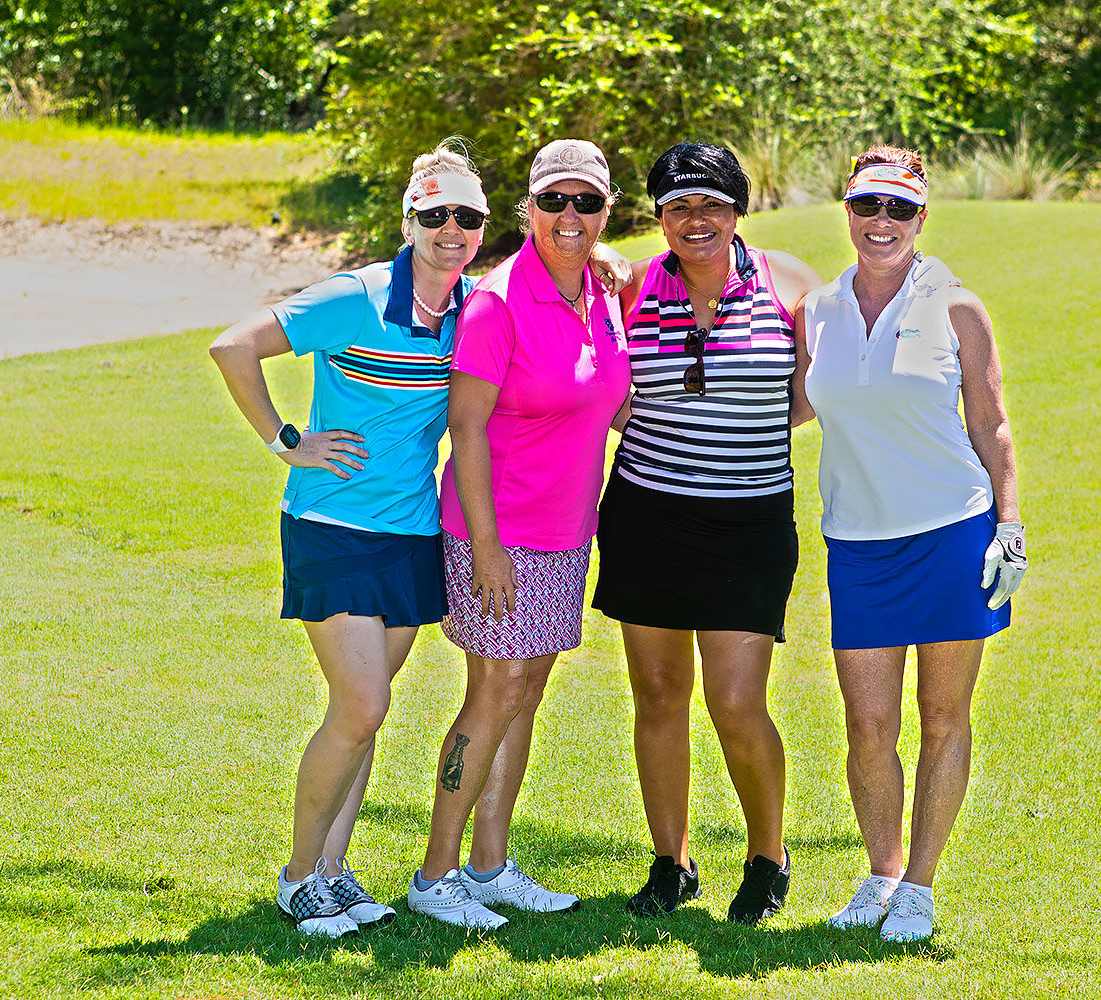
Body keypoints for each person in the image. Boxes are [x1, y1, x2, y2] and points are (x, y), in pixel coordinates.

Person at [207, 142, 491, 938]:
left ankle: (334, 872)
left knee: (364, 712)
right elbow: (233, 346)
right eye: (435, 215)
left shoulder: (474, 307)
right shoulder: (357, 296)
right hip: (332, 528)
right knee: (363, 705)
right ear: (409, 222)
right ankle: (299, 877)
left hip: (411, 533)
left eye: (467, 217)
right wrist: (285, 440)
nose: (451, 230)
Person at [794, 147, 1027, 943]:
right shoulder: (818, 310)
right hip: (858, 543)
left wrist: (1009, 525)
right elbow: (792, 404)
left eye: (898, 208)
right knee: (867, 727)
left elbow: (990, 425)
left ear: (921, 217)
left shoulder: (956, 307)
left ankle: (919, 887)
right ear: (848, 211)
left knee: (942, 716)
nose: (881, 221)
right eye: (868, 205)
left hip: (952, 532)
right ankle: (882, 872)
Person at [592, 142, 824, 924]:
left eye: (712, 205)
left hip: (749, 521)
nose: (697, 220)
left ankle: (767, 858)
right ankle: (672, 862)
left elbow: (813, 388)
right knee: (658, 695)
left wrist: (744, 431)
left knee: (735, 699)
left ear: (738, 211)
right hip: (647, 515)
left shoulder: (788, 281)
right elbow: (605, 386)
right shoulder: (630, 286)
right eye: (679, 206)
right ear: (658, 216)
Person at [408, 139, 632, 929]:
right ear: (528, 208)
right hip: (498, 535)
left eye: (587, 202)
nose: (570, 216)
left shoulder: (602, 292)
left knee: (524, 692)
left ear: (607, 210)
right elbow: (466, 428)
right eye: (554, 201)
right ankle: (435, 876)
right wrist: (489, 548)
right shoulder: (498, 302)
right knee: (495, 691)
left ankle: (489, 866)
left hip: (566, 533)